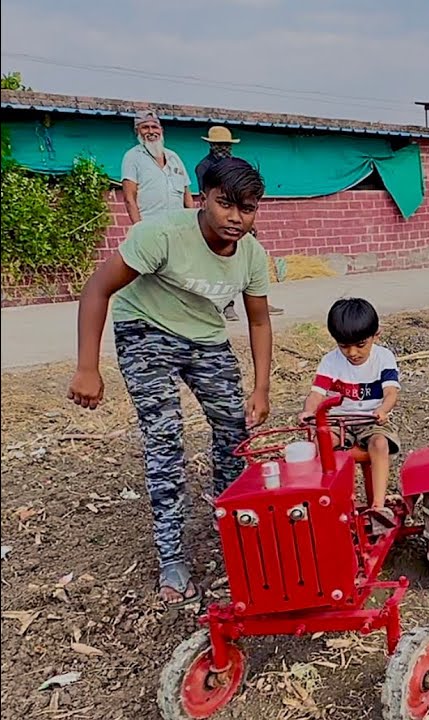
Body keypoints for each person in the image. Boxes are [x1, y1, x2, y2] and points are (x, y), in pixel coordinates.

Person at [67, 158, 275, 607]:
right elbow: (97, 288)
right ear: (202, 198)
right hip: (145, 330)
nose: (235, 218)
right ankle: (173, 558)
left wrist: (261, 388)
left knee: (235, 431)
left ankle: (232, 523)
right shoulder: (161, 235)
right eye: (224, 204)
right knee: (165, 439)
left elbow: (259, 321)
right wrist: (88, 366)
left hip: (206, 338)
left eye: (247, 208)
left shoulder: (252, 255)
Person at [299, 298, 402, 536]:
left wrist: (383, 409)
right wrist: (308, 411)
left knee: (379, 443)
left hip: (371, 420)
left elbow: (391, 392)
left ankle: (378, 507)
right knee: (320, 444)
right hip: (339, 421)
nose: (353, 353)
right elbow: (316, 394)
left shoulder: (383, 358)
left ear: (376, 335)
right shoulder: (330, 361)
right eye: (344, 346)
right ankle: (328, 504)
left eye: (360, 345)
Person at [194, 125, 283, 321]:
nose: (223, 148)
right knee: (219, 265)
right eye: (219, 145)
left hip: (236, 225)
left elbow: (246, 199)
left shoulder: (237, 166)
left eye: (226, 145)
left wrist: (247, 221)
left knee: (245, 262)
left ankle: (258, 301)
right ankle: (226, 306)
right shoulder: (204, 167)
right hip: (216, 225)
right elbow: (212, 201)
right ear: (212, 145)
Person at [121, 110, 194, 224]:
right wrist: (139, 228)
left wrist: (191, 223)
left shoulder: (174, 157)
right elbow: (129, 199)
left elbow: (187, 195)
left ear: (161, 130)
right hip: (151, 226)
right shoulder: (132, 157)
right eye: (145, 127)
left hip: (178, 225)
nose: (151, 131)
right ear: (137, 131)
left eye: (154, 127)